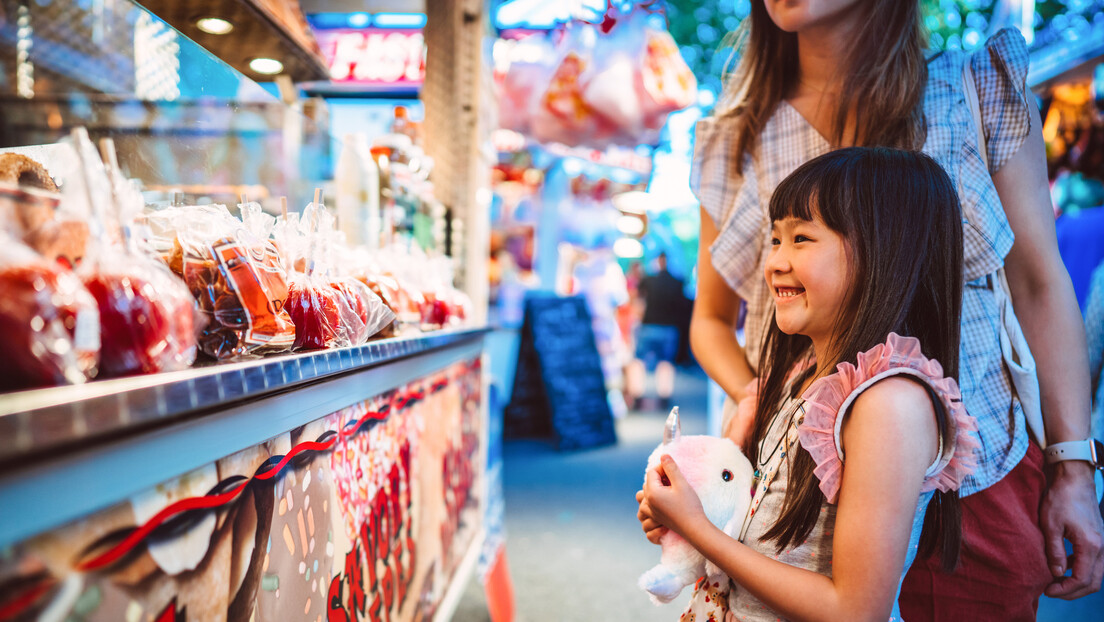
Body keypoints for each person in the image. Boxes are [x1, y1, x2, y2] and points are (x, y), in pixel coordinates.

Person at [685, 1, 1103, 618]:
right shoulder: (735, 133)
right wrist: (758, 400)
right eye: (780, 238)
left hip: (976, 479)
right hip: (800, 485)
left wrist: (1074, 468)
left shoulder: (970, 86)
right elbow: (711, 320)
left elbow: (1040, 284)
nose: (781, 257)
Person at [639, 147, 974, 621]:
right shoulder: (804, 372)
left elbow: (855, 610)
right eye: (776, 239)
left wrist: (698, 530)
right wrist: (686, 513)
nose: (775, 262)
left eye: (801, 239)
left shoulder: (890, 403)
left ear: (884, 253)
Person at [626, 252, 685, 410]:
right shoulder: (677, 282)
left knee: (639, 360)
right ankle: (664, 397)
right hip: (669, 328)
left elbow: (638, 301)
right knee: (666, 362)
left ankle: (637, 397)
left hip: (648, 326)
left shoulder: (649, 280)